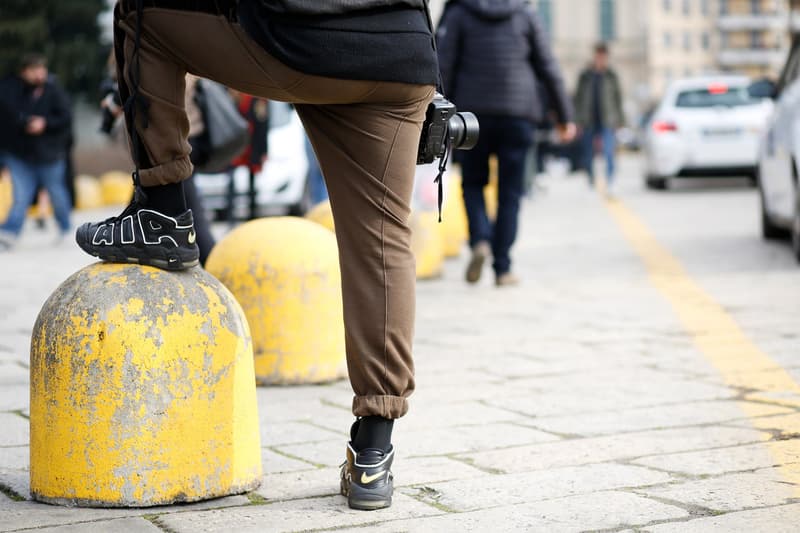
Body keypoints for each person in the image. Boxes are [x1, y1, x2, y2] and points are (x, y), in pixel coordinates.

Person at [74, 0, 438, 511]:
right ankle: (374, 448)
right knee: (382, 241)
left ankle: (162, 211)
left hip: (300, 41)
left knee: (140, 12)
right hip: (402, 58)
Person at [437, 0, 575, 287]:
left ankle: (480, 240)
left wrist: (436, 115)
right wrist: (564, 116)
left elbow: (444, 66)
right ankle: (503, 268)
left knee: (473, 183)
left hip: (472, 115)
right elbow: (547, 66)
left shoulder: (460, 11)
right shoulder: (524, 13)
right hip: (517, 114)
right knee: (510, 193)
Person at [0, 54, 73, 250]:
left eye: (42, 69)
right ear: (24, 72)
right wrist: (23, 122)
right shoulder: (11, 90)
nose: (39, 74)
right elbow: (7, 115)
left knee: (57, 193)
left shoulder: (54, 91)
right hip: (20, 156)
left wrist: (45, 124)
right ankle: (8, 234)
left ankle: (66, 228)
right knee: (21, 195)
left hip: (49, 155)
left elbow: (66, 118)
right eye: (34, 70)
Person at [574, 43, 624, 195]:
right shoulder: (585, 76)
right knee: (588, 153)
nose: (601, 59)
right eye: (598, 56)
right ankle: (590, 178)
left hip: (607, 120)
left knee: (609, 151)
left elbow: (618, 99)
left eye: (603, 56)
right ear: (595, 56)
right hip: (588, 120)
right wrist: (577, 120)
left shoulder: (611, 76)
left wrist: (620, 121)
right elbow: (578, 99)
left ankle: (610, 181)